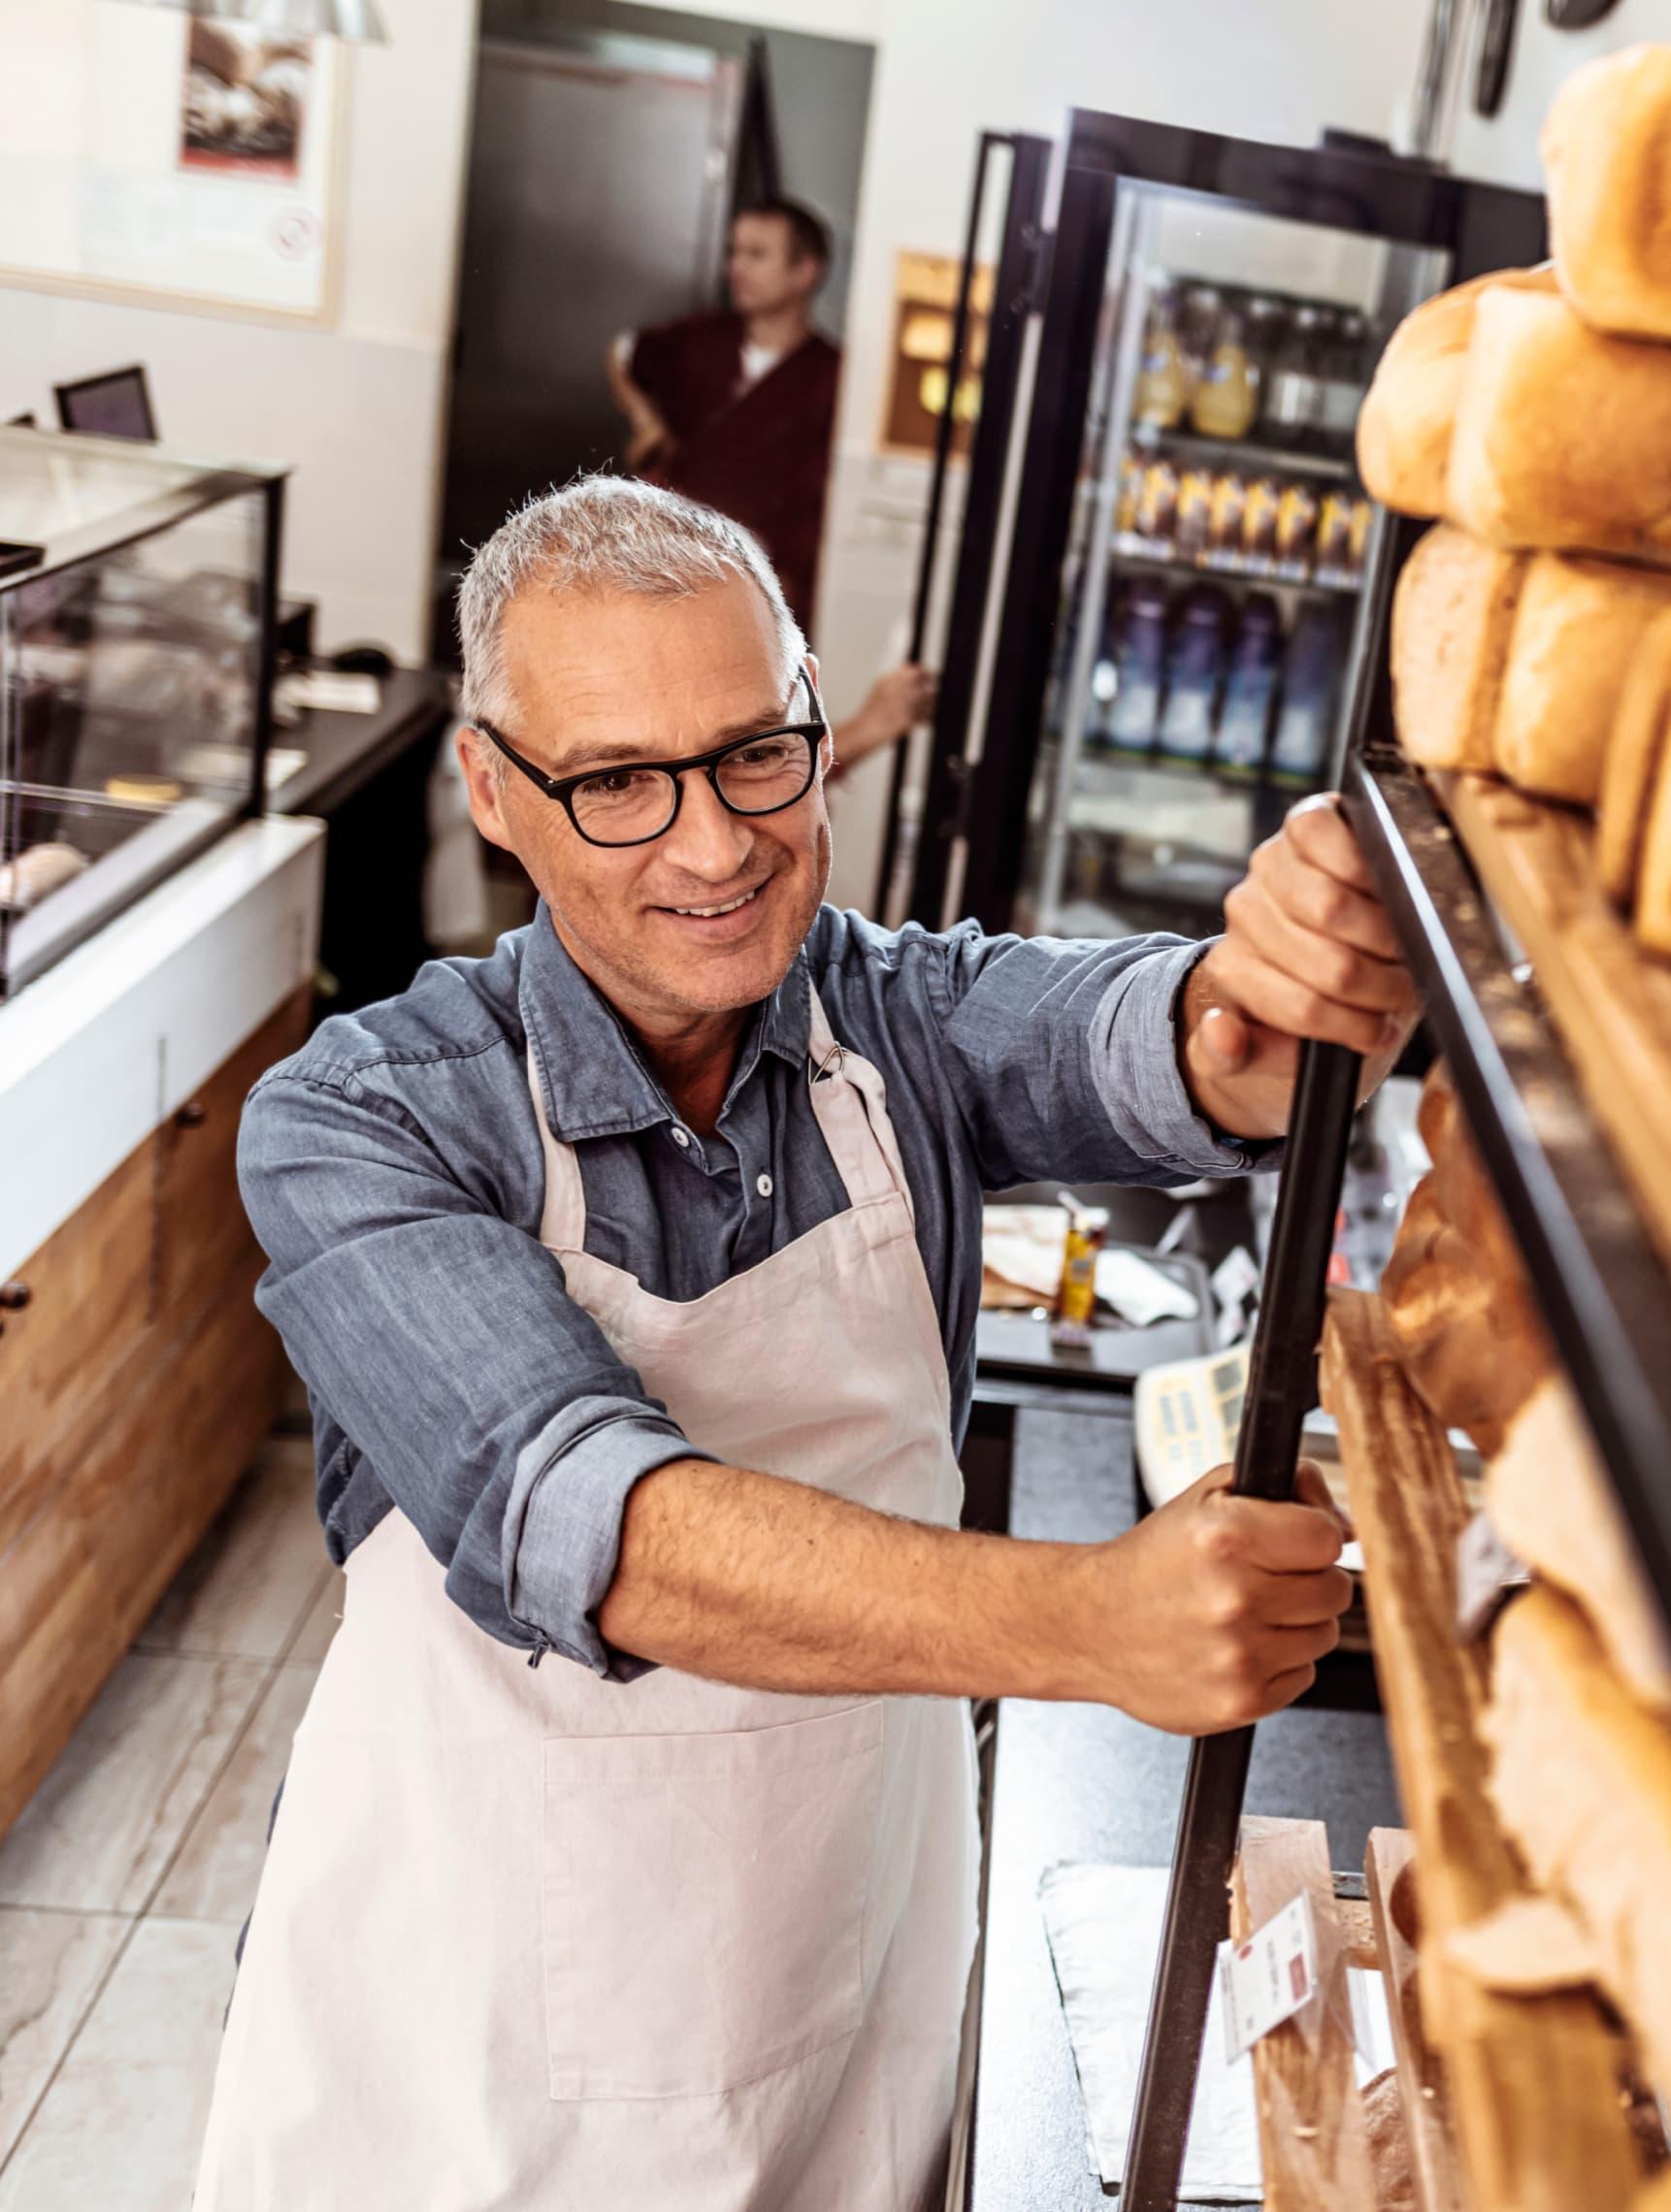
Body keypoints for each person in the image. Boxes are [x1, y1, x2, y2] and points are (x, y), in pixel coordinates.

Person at [195, 476, 1419, 2211]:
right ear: (494, 792)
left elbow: (1145, 1044)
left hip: (842, 2006)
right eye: (617, 783)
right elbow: (595, 1528)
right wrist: (1085, 1623)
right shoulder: (367, 1117)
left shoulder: (885, 1021)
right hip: (464, 2077)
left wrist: (1275, 991)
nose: (713, 846)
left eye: (756, 753)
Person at [607, 198, 840, 632]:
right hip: (662, 563)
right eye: (734, 253)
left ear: (805, 272)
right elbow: (622, 353)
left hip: (760, 592)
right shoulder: (701, 339)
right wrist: (646, 421)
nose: (736, 268)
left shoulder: (833, 374)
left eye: (756, 255)